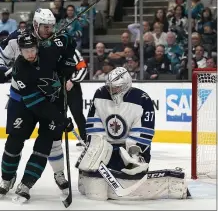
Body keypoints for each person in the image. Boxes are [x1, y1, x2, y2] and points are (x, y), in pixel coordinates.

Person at [0, 8, 87, 195]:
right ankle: (7, 177)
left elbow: (76, 58)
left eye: (51, 26)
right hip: (23, 100)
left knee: (50, 140)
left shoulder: (58, 39)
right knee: (15, 140)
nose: (48, 30)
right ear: (35, 24)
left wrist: (70, 72)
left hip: (51, 99)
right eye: (44, 26)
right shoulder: (18, 39)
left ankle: (53, 175)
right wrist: (1, 71)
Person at [75, 67, 189, 201]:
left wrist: (135, 154)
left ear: (126, 85)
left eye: (116, 88)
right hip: (108, 148)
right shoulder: (100, 94)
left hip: (129, 149)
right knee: (93, 175)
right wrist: (97, 145)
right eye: (110, 87)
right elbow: (94, 124)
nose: (112, 91)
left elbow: (143, 132)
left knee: (131, 174)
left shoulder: (142, 99)